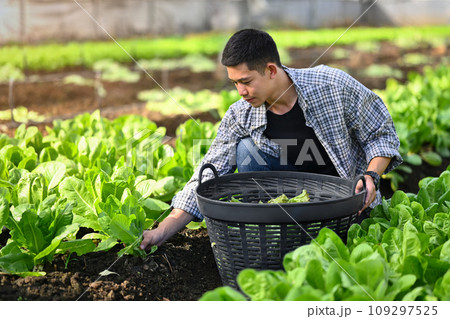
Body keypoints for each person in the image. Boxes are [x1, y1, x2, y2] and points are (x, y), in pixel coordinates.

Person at [140, 29, 402, 250]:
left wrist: (371, 175)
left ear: (271, 70)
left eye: (246, 81)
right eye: (234, 83)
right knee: (245, 151)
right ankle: (281, 234)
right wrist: (161, 231)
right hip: (296, 201)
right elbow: (208, 171)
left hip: (347, 199)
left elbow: (381, 133)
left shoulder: (331, 85)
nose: (241, 92)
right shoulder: (241, 114)